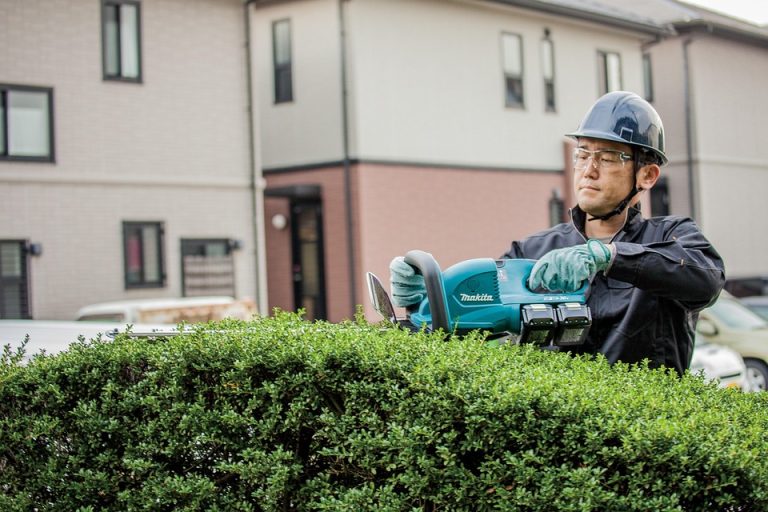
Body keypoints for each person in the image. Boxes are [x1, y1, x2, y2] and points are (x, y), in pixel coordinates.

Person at [390, 91, 725, 376]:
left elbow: (706, 279)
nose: (589, 171)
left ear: (647, 175)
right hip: (555, 427)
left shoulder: (671, 237)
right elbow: (477, 316)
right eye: (583, 155)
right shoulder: (534, 250)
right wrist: (427, 299)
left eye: (608, 158)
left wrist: (609, 256)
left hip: (642, 425)